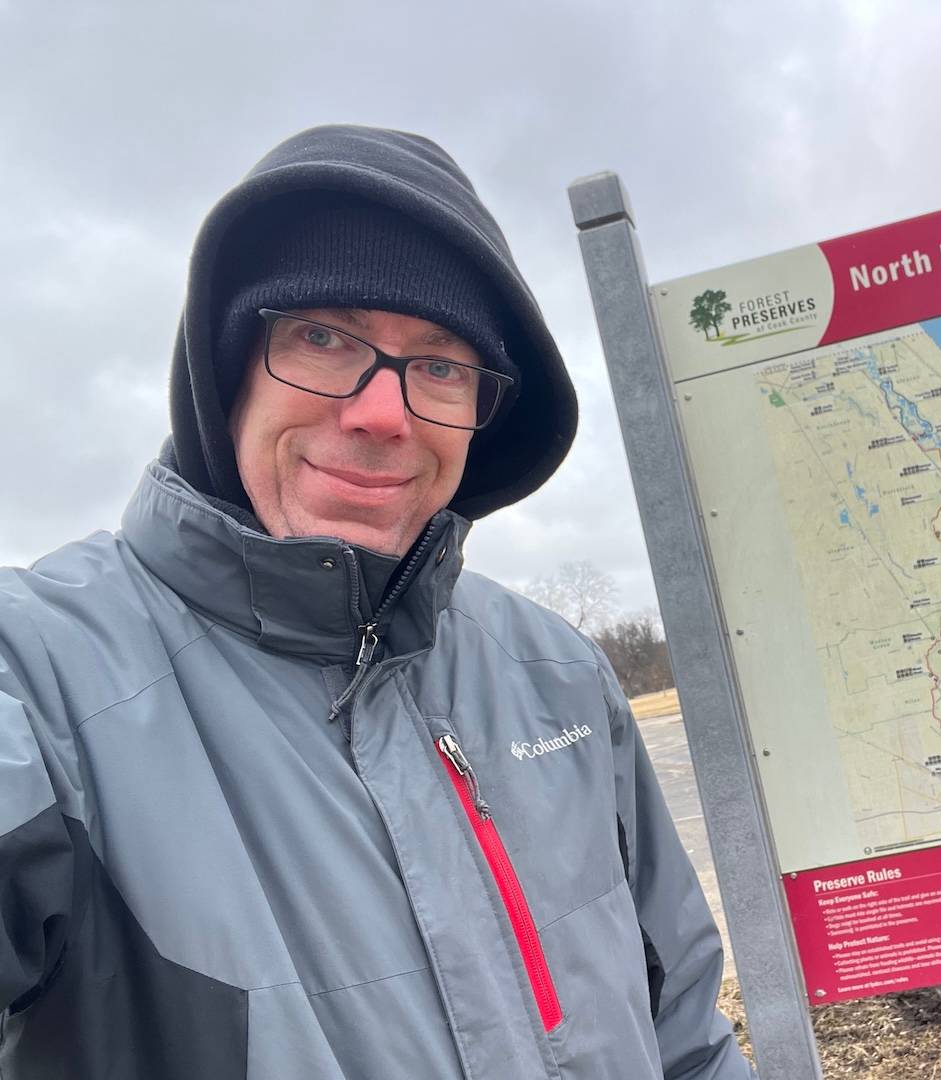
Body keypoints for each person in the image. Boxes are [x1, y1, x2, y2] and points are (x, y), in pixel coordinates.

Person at [0, 125, 753, 1079]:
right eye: (322, 337)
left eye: (440, 364)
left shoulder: (557, 672)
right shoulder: (39, 678)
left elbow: (684, 1032)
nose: (382, 411)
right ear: (226, 369)